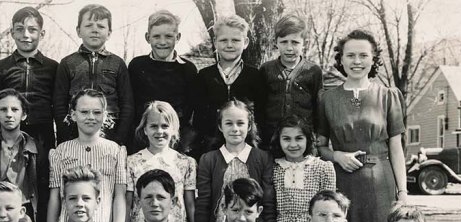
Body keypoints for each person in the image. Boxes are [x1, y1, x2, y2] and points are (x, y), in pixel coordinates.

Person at [316, 29, 407, 222]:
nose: (357, 62)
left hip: (380, 183)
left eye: (363, 55)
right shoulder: (327, 99)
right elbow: (320, 146)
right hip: (342, 182)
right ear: (341, 59)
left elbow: (396, 148)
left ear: (373, 59)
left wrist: (403, 193)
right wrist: (337, 156)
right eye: (351, 55)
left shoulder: (388, 96)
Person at [47, 88, 127, 222]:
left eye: (97, 112)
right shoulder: (61, 151)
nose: (91, 117)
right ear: (73, 115)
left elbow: (120, 196)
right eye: (84, 112)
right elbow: (55, 197)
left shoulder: (115, 151)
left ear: (105, 116)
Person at [196, 99, 275, 222]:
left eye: (240, 123)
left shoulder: (263, 158)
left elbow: (268, 202)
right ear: (220, 126)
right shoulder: (208, 159)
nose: (235, 129)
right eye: (229, 123)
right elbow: (203, 204)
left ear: (249, 126)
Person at [53, 4, 134, 146]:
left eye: (101, 26)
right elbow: (59, 104)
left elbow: (127, 104)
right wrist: (66, 137)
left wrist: (119, 138)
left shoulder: (118, 63)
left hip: (110, 134)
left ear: (109, 33)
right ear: (78, 31)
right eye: (89, 25)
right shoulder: (67, 63)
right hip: (74, 133)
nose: (95, 30)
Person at [0, 88, 48, 222]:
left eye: (15, 109)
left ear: (24, 114)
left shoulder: (35, 148)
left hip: (24, 215)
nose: (9, 114)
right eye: (3, 110)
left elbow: (40, 191)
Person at [0, 6, 59, 153]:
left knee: (41, 174)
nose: (25, 35)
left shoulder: (53, 68)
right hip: (9, 134)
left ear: (42, 33)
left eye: (32, 30)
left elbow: (58, 107)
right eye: (20, 29)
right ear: (12, 32)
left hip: (43, 136)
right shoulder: (0, 68)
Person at [127, 10, 198, 155]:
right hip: (142, 138)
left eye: (168, 36)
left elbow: (190, 110)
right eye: (156, 36)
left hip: (175, 139)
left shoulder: (188, 69)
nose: (162, 42)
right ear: (148, 37)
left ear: (177, 37)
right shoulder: (137, 66)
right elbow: (131, 105)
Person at [271, 115, 336, 222]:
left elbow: (329, 209)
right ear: (278, 140)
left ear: (308, 139)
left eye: (299, 138)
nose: (293, 144)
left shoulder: (322, 168)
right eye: (286, 139)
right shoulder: (274, 168)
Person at [192, 15, 262, 155]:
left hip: (246, 146)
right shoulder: (204, 76)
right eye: (223, 40)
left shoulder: (255, 76)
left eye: (235, 40)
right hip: (210, 148)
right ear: (215, 42)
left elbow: (261, 115)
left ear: (246, 42)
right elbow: (198, 117)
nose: (229, 45)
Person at [126, 101, 197, 222]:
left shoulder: (186, 163)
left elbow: (190, 205)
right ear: (145, 129)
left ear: (174, 129)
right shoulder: (131, 162)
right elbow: (128, 203)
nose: (159, 131)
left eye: (165, 126)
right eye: (153, 126)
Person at [257, 13, 323, 149]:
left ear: (304, 43)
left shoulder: (313, 70)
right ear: (276, 43)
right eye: (284, 42)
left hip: (303, 139)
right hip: (271, 139)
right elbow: (260, 107)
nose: (289, 48)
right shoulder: (266, 69)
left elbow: (319, 106)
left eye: (295, 42)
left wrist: (319, 134)